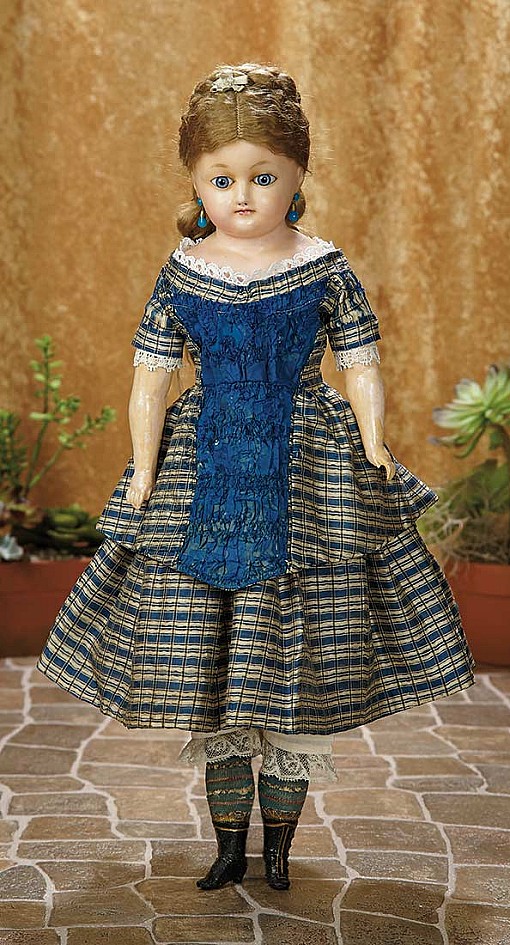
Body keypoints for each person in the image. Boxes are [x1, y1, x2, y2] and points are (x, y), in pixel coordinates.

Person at [37, 62, 475, 892]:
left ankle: (278, 848)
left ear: (299, 175)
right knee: (212, 675)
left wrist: (374, 440)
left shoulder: (323, 267)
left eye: (263, 177)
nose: (241, 196)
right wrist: (142, 469)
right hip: (202, 467)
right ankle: (229, 844)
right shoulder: (183, 270)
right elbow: (151, 378)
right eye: (222, 179)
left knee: (293, 681)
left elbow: (361, 361)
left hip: (308, 470)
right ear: (196, 182)